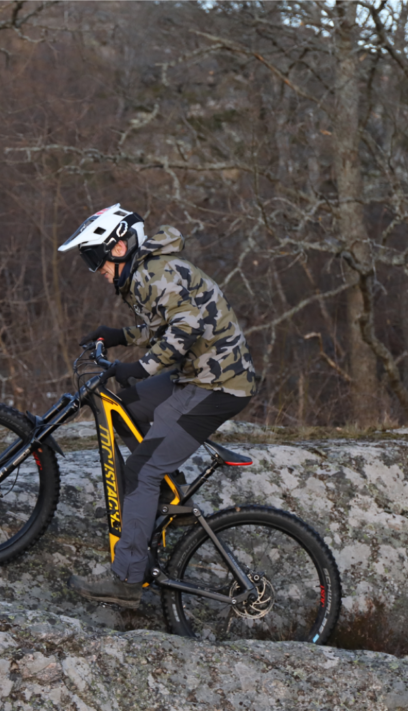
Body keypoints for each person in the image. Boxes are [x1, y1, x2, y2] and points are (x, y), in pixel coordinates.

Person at [57, 204, 258, 609]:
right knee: (127, 406)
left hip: (218, 384)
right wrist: (117, 335)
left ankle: (128, 580)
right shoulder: (144, 275)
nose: (95, 270)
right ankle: (171, 496)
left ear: (117, 248)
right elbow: (161, 324)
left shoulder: (154, 272)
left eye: (95, 258)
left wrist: (139, 366)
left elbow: (185, 329)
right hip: (197, 373)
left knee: (140, 471)